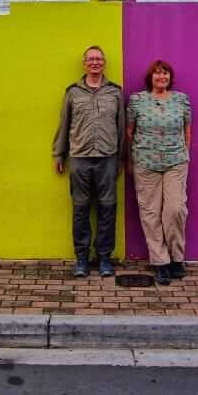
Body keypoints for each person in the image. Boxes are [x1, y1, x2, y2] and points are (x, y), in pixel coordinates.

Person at [52, 45, 124, 278]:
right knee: (80, 209)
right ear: (85, 63)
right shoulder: (73, 92)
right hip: (80, 159)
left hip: (107, 158)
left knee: (107, 208)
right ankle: (81, 258)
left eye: (99, 59)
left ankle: (104, 258)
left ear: (104, 63)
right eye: (91, 59)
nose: (95, 62)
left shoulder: (115, 92)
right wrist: (59, 153)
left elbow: (121, 128)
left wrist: (122, 158)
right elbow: (64, 124)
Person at [127, 59, 192, 285]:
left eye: (165, 74)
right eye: (157, 74)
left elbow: (187, 132)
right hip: (145, 162)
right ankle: (160, 261)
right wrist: (130, 161)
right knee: (150, 212)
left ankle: (176, 257)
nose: (161, 77)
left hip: (176, 161)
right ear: (150, 78)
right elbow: (129, 132)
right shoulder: (137, 101)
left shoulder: (182, 100)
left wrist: (186, 156)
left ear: (170, 78)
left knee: (175, 209)